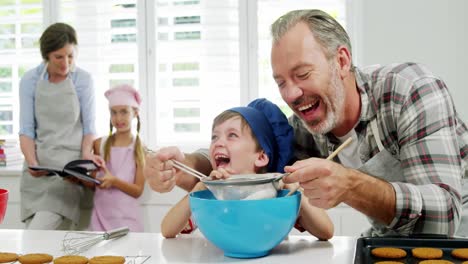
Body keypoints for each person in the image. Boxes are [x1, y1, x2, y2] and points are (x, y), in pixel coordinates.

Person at [146, 9, 468, 237]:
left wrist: (351, 185)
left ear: (341, 61)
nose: (292, 93)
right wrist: (184, 164)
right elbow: (252, 166)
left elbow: (444, 218)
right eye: (281, 82)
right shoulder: (307, 127)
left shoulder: (410, 89)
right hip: (391, 239)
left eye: (302, 74)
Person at [159, 98, 333, 239]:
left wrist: (298, 196)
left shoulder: (275, 194)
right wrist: (200, 187)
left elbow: (326, 231)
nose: (218, 142)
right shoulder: (213, 195)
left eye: (232, 135)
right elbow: (167, 230)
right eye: (214, 136)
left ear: (261, 157)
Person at [19, 22, 103, 230]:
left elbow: (89, 128)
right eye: (59, 57)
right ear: (46, 55)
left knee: (35, 236)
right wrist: (32, 162)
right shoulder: (30, 80)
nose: (66, 63)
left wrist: (84, 159)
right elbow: (27, 130)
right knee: (39, 245)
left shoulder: (83, 80)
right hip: (37, 172)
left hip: (67, 175)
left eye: (70, 56)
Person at [89, 84, 146, 232]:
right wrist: (77, 176)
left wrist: (114, 181)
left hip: (128, 222)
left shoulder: (140, 148)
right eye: (113, 112)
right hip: (100, 220)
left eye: (124, 112)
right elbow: (92, 183)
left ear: (135, 113)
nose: (118, 118)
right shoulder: (98, 144)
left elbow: (138, 190)